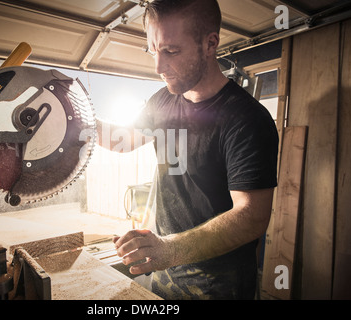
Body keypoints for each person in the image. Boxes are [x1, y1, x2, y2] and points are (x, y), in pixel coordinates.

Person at [96, 0, 278, 300]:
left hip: (219, 282)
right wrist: (76, 122)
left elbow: (252, 217)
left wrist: (170, 249)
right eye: (152, 50)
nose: (158, 66)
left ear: (210, 43)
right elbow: (123, 140)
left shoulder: (247, 119)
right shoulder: (162, 101)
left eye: (171, 51)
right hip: (166, 268)